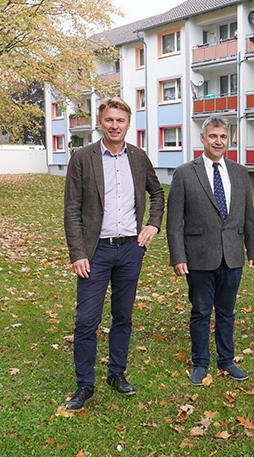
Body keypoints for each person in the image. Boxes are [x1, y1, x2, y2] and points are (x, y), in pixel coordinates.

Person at [63, 96, 165, 410]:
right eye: (109, 120)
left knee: (123, 316)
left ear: (128, 123)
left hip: (130, 250)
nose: (114, 125)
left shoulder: (138, 156)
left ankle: (116, 373)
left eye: (120, 120)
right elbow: (71, 209)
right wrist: (78, 253)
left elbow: (158, 193)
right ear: (100, 122)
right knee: (86, 321)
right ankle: (85, 385)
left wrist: (153, 225)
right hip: (95, 253)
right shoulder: (83, 157)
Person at [167, 115, 254, 386]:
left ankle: (226, 360)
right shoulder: (185, 172)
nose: (218, 141)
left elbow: (248, 215)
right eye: (213, 136)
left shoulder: (240, 172)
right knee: (200, 311)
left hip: (232, 255)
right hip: (198, 255)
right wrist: (178, 257)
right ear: (203, 139)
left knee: (227, 311)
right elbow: (174, 221)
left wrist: (252, 249)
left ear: (228, 139)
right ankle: (200, 362)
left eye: (222, 137)